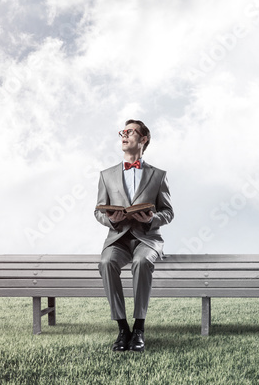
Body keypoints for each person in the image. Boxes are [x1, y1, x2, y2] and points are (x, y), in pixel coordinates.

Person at [93, 119, 174, 352]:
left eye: (130, 132)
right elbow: (98, 210)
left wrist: (151, 219)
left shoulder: (158, 175)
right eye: (122, 132)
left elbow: (168, 212)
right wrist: (110, 219)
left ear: (143, 139)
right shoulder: (106, 175)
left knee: (141, 261)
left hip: (147, 238)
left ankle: (139, 328)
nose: (124, 135)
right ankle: (122, 328)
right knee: (106, 262)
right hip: (118, 238)